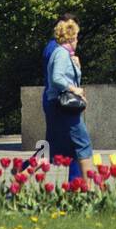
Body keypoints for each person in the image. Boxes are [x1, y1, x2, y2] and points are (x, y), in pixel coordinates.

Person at [44, 18, 93, 182]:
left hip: (56, 107)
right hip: (63, 108)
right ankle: (90, 191)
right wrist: (75, 89)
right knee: (83, 144)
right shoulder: (61, 54)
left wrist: (77, 67)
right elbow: (57, 78)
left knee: (49, 150)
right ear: (71, 37)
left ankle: (18, 182)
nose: (78, 40)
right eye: (77, 36)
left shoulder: (64, 54)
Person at [40, 13, 77, 155]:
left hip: (58, 99)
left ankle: (23, 171)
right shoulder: (57, 50)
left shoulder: (62, 49)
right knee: (75, 146)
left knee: (51, 147)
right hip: (58, 100)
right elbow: (57, 77)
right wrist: (73, 89)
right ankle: (23, 171)